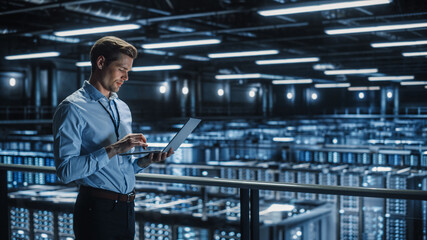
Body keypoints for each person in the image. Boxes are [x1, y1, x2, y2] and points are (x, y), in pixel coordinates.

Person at [52, 36, 173, 240]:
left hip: (127, 208)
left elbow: (118, 167)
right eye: (121, 69)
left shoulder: (122, 108)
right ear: (101, 63)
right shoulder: (72, 108)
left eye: (128, 71)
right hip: (96, 210)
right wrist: (114, 148)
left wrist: (145, 161)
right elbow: (65, 171)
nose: (126, 77)